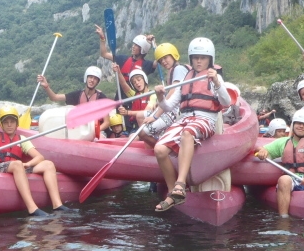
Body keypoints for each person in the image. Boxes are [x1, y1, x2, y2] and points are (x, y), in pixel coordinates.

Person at [152, 37, 232, 213]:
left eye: (203, 58)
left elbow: (226, 101)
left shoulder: (215, 77)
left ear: (210, 59)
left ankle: (181, 184)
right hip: (185, 118)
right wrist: (160, 96)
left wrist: (217, 82)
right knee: (159, 149)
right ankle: (173, 193)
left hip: (205, 119)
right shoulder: (186, 79)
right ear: (191, 58)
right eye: (195, 57)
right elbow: (167, 106)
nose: (199, 61)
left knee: (187, 134)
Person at [0, 106, 69, 217]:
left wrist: (28, 164)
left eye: (12, 122)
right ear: (1, 124)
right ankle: (32, 208)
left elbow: (39, 157)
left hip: (14, 167)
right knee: (17, 164)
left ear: (17, 123)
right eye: (6, 122)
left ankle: (57, 205)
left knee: (48, 164)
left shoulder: (22, 139)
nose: (9, 125)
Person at [37, 66, 110, 132]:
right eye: (90, 77)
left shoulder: (101, 98)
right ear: (86, 78)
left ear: (97, 82)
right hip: (81, 131)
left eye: (95, 79)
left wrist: (94, 132)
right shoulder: (77, 95)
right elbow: (54, 97)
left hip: (98, 131)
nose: (92, 80)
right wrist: (46, 86)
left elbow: (106, 122)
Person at [94, 26, 156, 92]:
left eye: (136, 45)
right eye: (133, 44)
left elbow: (159, 58)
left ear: (143, 49)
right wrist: (102, 38)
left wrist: (153, 43)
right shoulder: (122, 59)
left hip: (135, 96)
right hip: (121, 94)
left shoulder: (147, 64)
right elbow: (104, 54)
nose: (133, 47)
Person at [114, 65, 156, 132]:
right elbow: (123, 84)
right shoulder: (134, 95)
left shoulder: (153, 94)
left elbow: (146, 112)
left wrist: (127, 112)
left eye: (139, 80)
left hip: (149, 125)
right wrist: (118, 72)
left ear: (145, 80)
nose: (137, 83)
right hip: (136, 127)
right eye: (134, 82)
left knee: (132, 137)